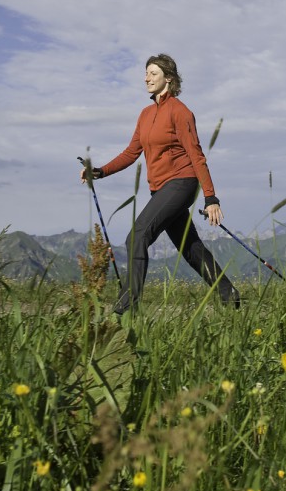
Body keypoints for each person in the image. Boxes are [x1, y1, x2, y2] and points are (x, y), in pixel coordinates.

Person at [80, 54, 240, 314]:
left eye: (153, 73)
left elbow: (197, 155)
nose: (147, 78)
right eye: (146, 73)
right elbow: (131, 153)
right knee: (191, 249)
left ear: (169, 78)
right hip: (161, 189)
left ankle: (126, 308)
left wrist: (210, 198)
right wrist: (99, 171)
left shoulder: (180, 111)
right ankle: (229, 295)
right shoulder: (145, 115)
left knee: (137, 236)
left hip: (182, 183)